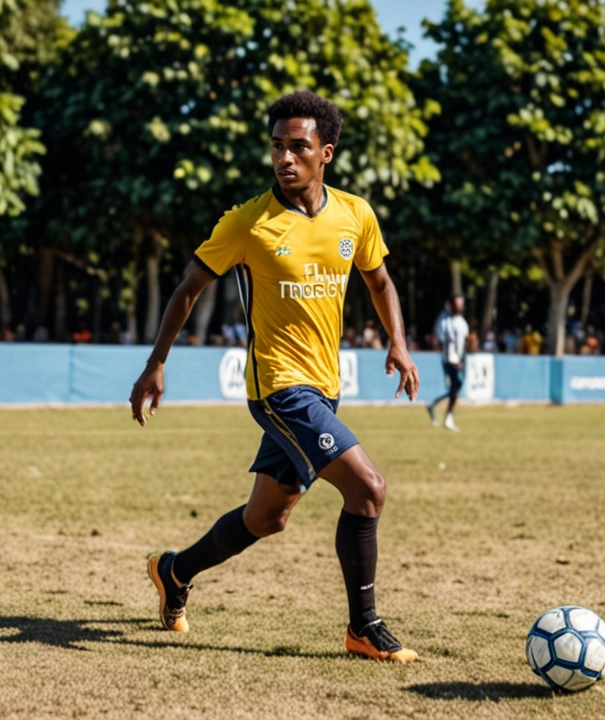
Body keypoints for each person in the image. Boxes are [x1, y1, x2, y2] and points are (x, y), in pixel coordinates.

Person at [130, 91, 420, 664]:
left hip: (324, 387)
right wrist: (156, 362)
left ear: (325, 153)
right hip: (279, 389)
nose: (285, 158)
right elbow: (189, 287)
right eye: (277, 147)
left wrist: (399, 342)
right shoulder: (247, 223)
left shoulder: (355, 215)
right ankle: (364, 627)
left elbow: (380, 281)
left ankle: (174, 571)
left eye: (299, 147)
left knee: (267, 517)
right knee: (369, 489)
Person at [427, 294, 469, 432]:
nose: (460, 306)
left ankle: (437, 407)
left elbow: (464, 341)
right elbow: (442, 341)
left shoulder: (461, 321)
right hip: (450, 360)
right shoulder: (445, 320)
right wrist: (452, 358)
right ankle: (447, 416)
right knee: (455, 387)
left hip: (459, 360)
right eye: (458, 304)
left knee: (456, 389)